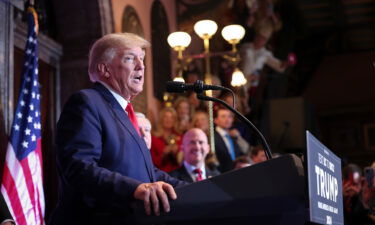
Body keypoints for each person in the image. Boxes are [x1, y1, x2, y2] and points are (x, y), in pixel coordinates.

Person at [49, 33, 186, 225]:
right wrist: (134, 189)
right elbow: (79, 166)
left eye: (142, 59)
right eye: (130, 58)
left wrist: (198, 189)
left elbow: (147, 174)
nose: (141, 65)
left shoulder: (125, 112)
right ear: (105, 69)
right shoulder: (87, 102)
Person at [150, 107, 183, 172]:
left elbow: (184, 160)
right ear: (161, 119)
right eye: (166, 117)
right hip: (161, 174)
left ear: (175, 120)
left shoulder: (180, 137)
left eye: (171, 117)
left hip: (179, 174)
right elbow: (152, 162)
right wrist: (164, 154)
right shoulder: (154, 138)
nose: (169, 120)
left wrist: (177, 152)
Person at [213, 107, 244, 172]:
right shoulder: (212, 137)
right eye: (223, 116)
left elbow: (244, 152)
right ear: (215, 120)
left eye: (229, 117)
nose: (227, 119)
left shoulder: (233, 136)